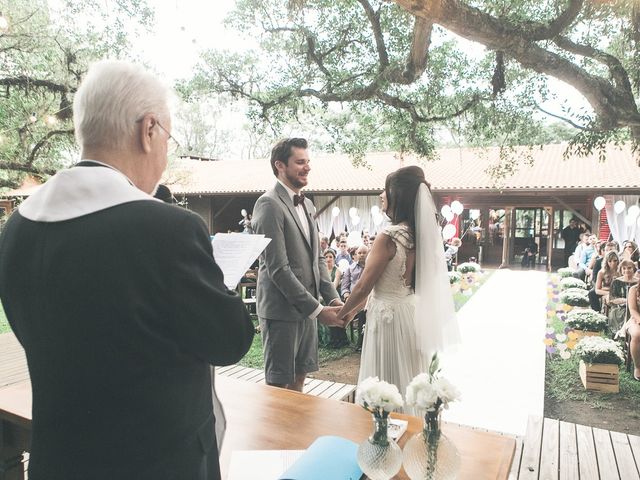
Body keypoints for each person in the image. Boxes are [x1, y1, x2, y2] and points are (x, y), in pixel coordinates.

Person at [0, 61, 255, 480]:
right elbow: (231, 341)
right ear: (148, 129)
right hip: (156, 462)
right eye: (168, 138)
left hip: (59, 461)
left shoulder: (18, 229)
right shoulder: (167, 230)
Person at [337, 166, 460, 415]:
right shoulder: (422, 235)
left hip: (388, 319)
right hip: (410, 313)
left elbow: (363, 287)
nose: (382, 194)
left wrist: (341, 314)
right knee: (410, 377)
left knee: (386, 378)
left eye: (387, 189)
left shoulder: (389, 237)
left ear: (398, 195)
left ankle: (384, 433)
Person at [252, 138, 346, 392]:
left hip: (307, 310)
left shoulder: (307, 204)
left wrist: (333, 298)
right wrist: (317, 309)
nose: (307, 167)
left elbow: (317, 258)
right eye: (300, 162)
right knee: (279, 386)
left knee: (300, 379)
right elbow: (278, 268)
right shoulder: (268, 204)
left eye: (308, 162)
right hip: (281, 312)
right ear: (280, 165)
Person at [341, 244, 370, 350]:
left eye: (364, 252)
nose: (362, 255)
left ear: (369, 254)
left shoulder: (372, 268)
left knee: (363, 310)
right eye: (359, 253)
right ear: (356, 255)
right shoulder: (350, 268)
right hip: (354, 300)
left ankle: (361, 342)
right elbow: (344, 286)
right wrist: (347, 297)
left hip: (369, 300)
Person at [607, 260, 638, 335]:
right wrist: (627, 300)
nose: (626, 270)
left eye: (629, 268)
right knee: (623, 313)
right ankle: (621, 334)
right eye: (624, 268)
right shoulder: (616, 282)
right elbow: (612, 299)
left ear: (634, 269)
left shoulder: (638, 282)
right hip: (620, 307)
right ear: (621, 270)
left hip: (636, 307)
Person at [625, 284, 640, 380]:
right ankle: (638, 367)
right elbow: (633, 309)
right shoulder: (634, 289)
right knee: (637, 334)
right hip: (636, 319)